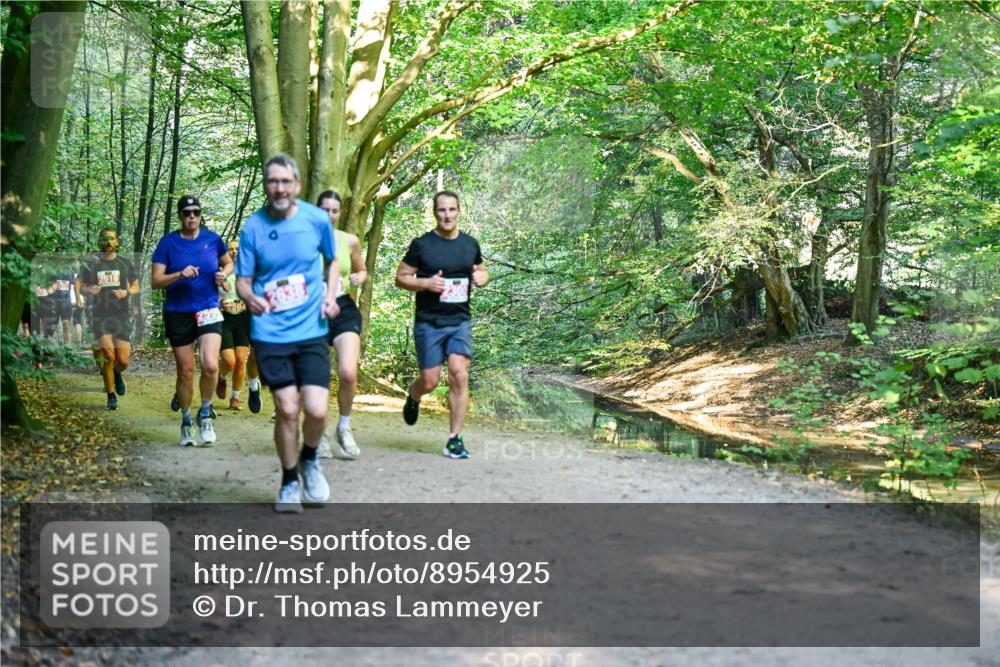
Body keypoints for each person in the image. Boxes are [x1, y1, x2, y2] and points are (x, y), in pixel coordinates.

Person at [235, 154, 339, 513]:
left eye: (284, 181)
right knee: (288, 409)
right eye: (272, 182)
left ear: (296, 185)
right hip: (270, 331)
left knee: (317, 410)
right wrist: (249, 297)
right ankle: (290, 479)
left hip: (311, 328)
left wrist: (329, 295)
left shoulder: (316, 220)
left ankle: (310, 458)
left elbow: (333, 259)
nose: (278, 188)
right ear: (266, 186)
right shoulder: (253, 227)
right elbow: (242, 282)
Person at [394, 191, 488, 459]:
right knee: (430, 380)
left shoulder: (470, 244)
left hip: (459, 321)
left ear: (459, 212)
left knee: (459, 373)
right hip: (429, 322)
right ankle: (414, 396)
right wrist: (425, 283)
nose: (447, 215)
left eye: (452, 209)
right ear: (435, 213)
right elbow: (401, 277)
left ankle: (454, 438)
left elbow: (481, 269)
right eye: (442, 210)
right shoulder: (422, 245)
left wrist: (483, 278)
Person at [152, 196, 232, 447]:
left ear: (200, 214)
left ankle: (205, 413)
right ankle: (186, 421)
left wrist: (223, 274)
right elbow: (156, 281)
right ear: (180, 215)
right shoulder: (168, 243)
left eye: (196, 212)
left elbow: (228, 262)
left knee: (210, 365)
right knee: (186, 371)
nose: (192, 217)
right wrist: (178, 274)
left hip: (208, 308)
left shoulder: (212, 240)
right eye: (187, 212)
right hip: (178, 311)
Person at [315, 190, 366, 459]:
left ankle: (343, 428)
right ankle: (319, 431)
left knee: (348, 372)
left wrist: (360, 277)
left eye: (334, 211)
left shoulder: (350, 241)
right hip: (313, 312)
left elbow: (361, 269)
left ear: (340, 213)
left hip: (344, 307)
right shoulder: (304, 240)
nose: (330, 215)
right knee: (319, 376)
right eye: (325, 210)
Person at [77, 228, 139, 410]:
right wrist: (87, 290)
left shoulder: (124, 263)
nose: (108, 242)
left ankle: (116, 374)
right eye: (105, 239)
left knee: (123, 360)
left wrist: (126, 291)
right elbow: (80, 285)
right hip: (100, 314)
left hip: (121, 314)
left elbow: (136, 286)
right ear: (99, 242)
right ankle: (111, 396)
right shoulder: (92, 263)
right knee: (108, 356)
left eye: (112, 239)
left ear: (117, 242)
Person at [217, 239, 262, 413]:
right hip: (224, 319)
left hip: (243, 319)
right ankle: (222, 376)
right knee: (229, 361)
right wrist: (220, 303)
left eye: (237, 249)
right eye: (230, 249)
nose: (234, 252)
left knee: (241, 360)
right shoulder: (219, 271)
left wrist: (247, 303)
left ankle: (235, 397)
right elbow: (209, 295)